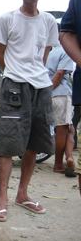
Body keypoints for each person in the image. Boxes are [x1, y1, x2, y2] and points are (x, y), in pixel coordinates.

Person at [0, 0, 58, 222]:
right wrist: (18, 75)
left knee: (34, 144)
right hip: (14, 87)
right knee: (7, 144)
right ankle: (1, 199)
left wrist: (35, 77)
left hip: (42, 88)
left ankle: (22, 194)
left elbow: (44, 56)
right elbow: (0, 56)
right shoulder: (7, 19)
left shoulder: (49, 21)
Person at [59, 0, 81, 195]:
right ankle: (66, 159)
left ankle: (66, 159)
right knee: (67, 129)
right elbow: (67, 32)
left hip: (61, 95)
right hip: (63, 95)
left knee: (67, 128)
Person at [46, 39, 76, 177]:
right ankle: (59, 163)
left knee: (68, 129)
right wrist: (51, 90)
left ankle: (68, 157)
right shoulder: (66, 51)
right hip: (61, 94)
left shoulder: (49, 52)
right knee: (63, 130)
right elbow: (59, 74)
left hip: (49, 95)